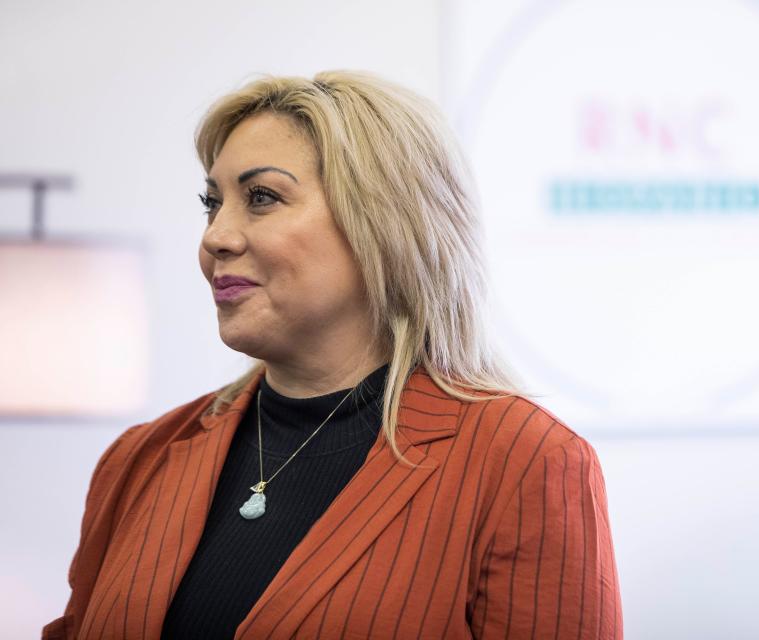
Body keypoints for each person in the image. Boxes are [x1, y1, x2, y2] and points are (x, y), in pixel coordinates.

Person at [42, 70, 623, 639]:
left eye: (262, 197)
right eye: (212, 203)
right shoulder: (139, 458)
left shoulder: (528, 461)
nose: (216, 235)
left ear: (383, 223)